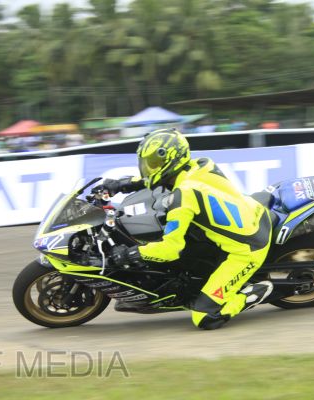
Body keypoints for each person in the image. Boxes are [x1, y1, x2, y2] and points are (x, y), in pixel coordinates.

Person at [92, 128, 273, 330]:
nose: (148, 169)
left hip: (247, 248)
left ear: (172, 159)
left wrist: (130, 254)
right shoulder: (200, 164)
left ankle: (254, 293)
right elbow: (156, 179)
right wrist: (121, 184)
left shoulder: (184, 196)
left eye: (153, 164)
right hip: (253, 213)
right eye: (146, 163)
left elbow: (170, 250)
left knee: (204, 317)